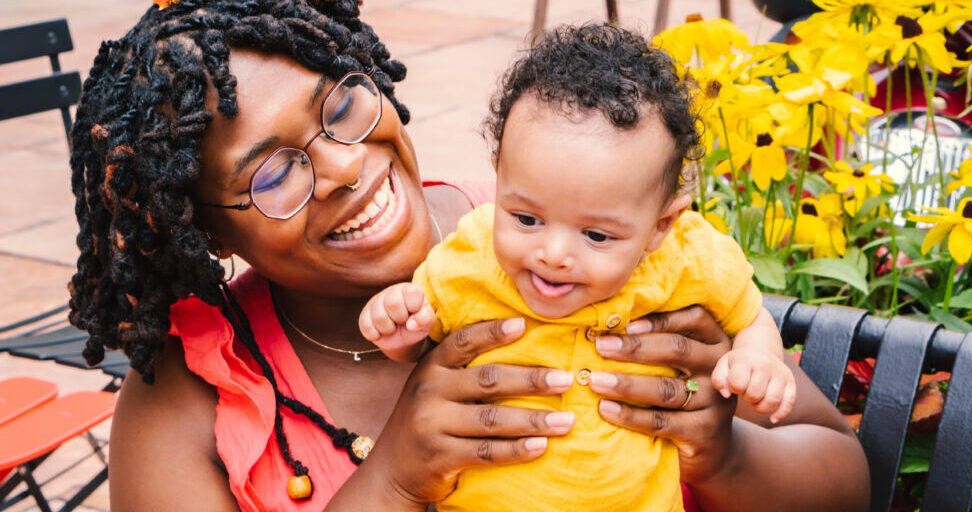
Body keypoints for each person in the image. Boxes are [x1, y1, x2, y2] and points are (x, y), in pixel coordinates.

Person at [66, 0, 869, 511]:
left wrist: (723, 452)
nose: (347, 165)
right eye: (273, 172)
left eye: (341, 102)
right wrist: (395, 479)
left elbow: (843, 479)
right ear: (206, 229)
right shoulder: (187, 398)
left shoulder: (567, 245)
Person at [359, 25, 796, 512]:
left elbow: (750, 316)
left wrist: (759, 358)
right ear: (499, 175)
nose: (554, 252)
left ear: (661, 224)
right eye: (526, 219)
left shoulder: (686, 259)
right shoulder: (474, 256)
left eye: (596, 235)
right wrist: (400, 331)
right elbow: (423, 339)